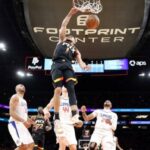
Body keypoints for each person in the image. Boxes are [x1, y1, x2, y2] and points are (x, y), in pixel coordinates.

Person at [51, 7, 90, 135]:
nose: (72, 38)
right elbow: (63, 25)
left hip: (68, 66)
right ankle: (56, 117)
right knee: (57, 90)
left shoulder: (76, 50)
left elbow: (80, 61)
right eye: (71, 37)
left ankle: (74, 115)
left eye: (73, 38)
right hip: (57, 64)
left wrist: (84, 66)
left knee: (71, 89)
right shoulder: (62, 40)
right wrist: (70, 13)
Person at [8, 84, 34, 150]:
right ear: (16, 89)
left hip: (22, 125)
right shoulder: (15, 97)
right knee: (23, 146)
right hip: (14, 124)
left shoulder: (24, 101)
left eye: (23, 85)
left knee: (31, 145)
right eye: (20, 85)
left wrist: (33, 123)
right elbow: (12, 113)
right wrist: (24, 121)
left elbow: (25, 116)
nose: (22, 85)